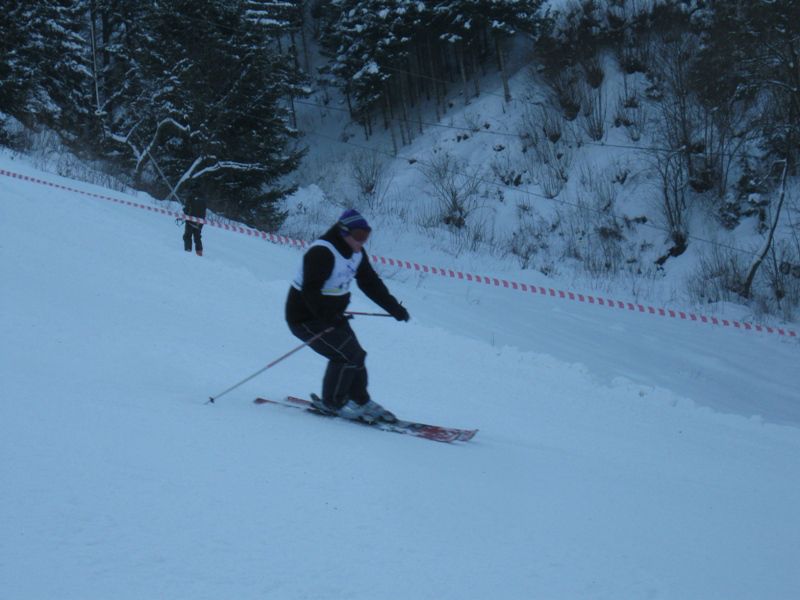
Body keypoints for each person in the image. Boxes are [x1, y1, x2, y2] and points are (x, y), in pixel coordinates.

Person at [285, 208, 410, 423]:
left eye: (366, 236)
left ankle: (361, 401)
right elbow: (310, 291)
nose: (362, 242)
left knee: (357, 355)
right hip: (305, 317)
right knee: (344, 355)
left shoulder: (356, 253)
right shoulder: (322, 252)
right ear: (343, 232)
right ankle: (333, 402)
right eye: (359, 236)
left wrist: (394, 308)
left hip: (332, 315)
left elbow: (370, 283)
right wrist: (327, 317)